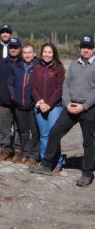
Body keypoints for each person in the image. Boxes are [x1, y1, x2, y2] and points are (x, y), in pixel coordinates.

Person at [30, 36, 95, 187]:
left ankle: (87, 173)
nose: (86, 50)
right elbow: (66, 86)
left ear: (93, 49)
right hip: (70, 106)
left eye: (89, 47)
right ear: (80, 48)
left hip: (88, 109)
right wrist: (67, 104)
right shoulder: (74, 64)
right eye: (83, 47)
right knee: (54, 133)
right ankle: (46, 165)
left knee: (88, 142)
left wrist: (84, 107)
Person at [31, 43, 65, 173]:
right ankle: (46, 162)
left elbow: (59, 89)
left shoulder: (59, 68)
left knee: (53, 134)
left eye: (50, 52)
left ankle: (58, 162)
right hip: (39, 105)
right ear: (41, 53)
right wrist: (40, 102)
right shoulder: (37, 67)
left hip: (55, 106)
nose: (47, 55)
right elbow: (33, 87)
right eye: (45, 52)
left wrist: (49, 104)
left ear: (54, 54)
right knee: (44, 135)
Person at [0, 37, 23, 162]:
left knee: (19, 128)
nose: (13, 49)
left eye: (15, 47)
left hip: (20, 103)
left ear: (20, 49)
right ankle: (6, 150)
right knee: (4, 128)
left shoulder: (23, 63)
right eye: (11, 47)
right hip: (4, 102)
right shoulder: (1, 62)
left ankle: (18, 151)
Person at [8, 44, 39, 166]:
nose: (27, 55)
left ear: (34, 54)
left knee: (35, 132)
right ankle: (26, 154)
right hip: (19, 105)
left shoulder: (38, 67)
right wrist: (13, 96)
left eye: (29, 52)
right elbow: (10, 84)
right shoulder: (17, 67)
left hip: (33, 106)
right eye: (25, 52)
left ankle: (34, 155)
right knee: (23, 132)